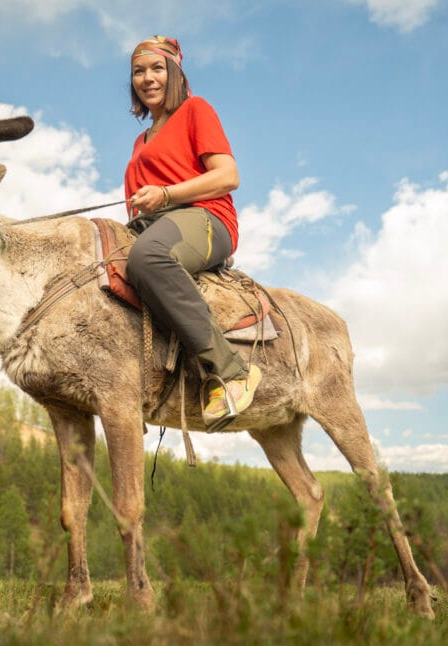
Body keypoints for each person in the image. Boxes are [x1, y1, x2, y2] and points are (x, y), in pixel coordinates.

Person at [124, 34, 261, 432]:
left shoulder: (195, 110)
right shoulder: (139, 140)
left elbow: (228, 176)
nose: (147, 78)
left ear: (176, 73)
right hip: (158, 225)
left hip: (205, 217)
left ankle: (233, 372)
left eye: (157, 68)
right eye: (138, 71)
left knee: (147, 258)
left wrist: (166, 194)